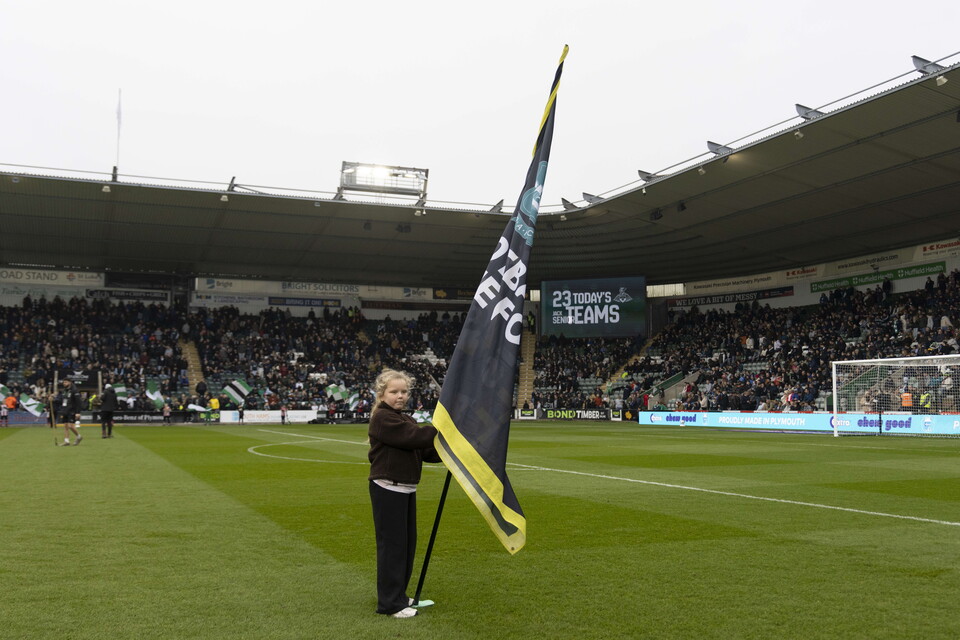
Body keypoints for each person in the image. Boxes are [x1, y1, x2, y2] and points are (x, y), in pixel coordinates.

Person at [367, 369, 441, 619]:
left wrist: (450, 451)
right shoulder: (382, 418)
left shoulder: (404, 419)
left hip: (405, 488)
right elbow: (413, 437)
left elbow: (424, 450)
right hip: (388, 487)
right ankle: (389, 603)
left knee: (407, 546)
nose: (400, 396)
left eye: (404, 391)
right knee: (393, 548)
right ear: (382, 394)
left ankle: (399, 595)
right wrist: (442, 427)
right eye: (394, 392)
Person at [57, 379, 83, 445]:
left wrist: (78, 412)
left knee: (71, 426)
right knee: (65, 426)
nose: (64, 383)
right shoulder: (64, 391)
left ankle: (78, 436)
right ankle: (66, 441)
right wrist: (53, 399)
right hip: (65, 410)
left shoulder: (74, 390)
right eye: (63, 382)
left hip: (72, 410)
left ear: (70, 382)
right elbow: (60, 400)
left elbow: (79, 402)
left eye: (65, 382)